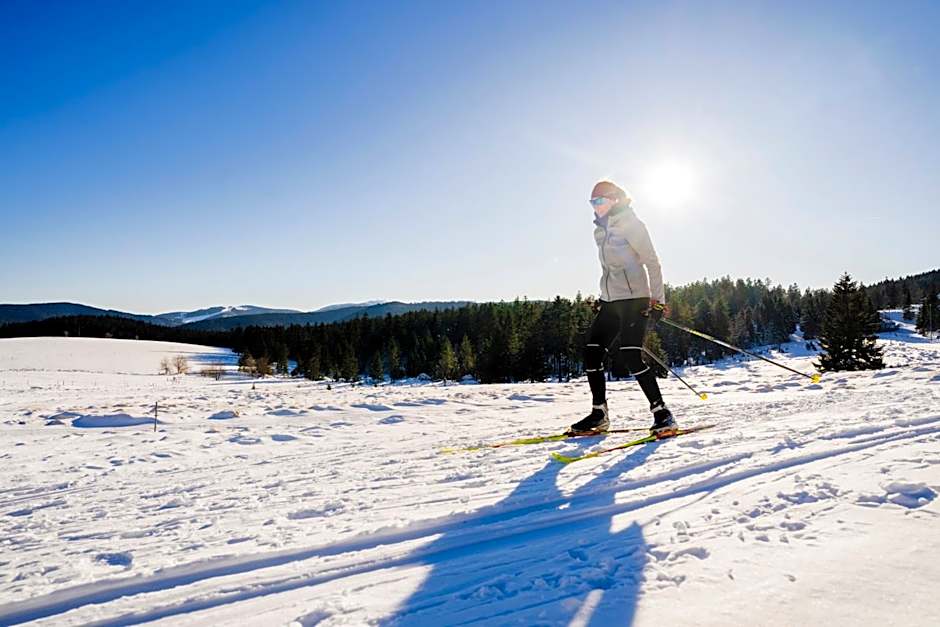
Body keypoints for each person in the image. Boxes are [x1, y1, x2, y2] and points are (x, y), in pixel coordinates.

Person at [567, 180, 677, 436]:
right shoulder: (599, 231)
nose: (595, 207)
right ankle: (599, 414)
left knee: (630, 355)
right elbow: (610, 270)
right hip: (611, 302)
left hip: (634, 300)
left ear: (615, 199)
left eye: (600, 201)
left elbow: (652, 262)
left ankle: (662, 413)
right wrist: (603, 297)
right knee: (592, 353)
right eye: (592, 203)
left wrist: (658, 300)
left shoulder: (632, 224)